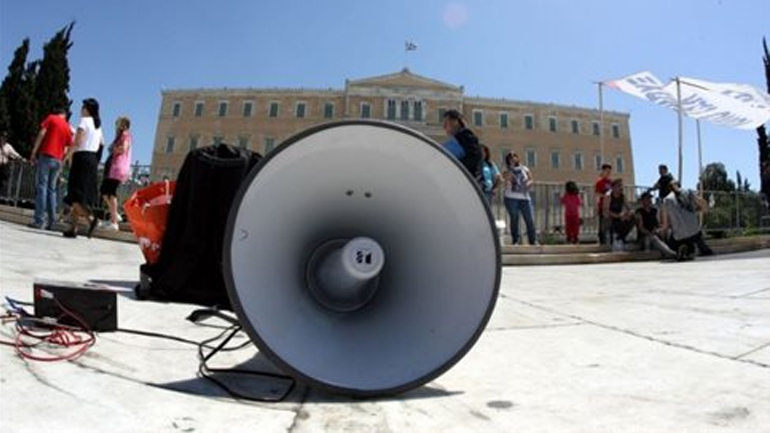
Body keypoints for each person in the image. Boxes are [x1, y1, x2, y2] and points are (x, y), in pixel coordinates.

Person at [62, 98, 104, 238]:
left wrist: (67, 157)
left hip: (81, 158)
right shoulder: (98, 126)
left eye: (83, 107)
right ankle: (73, 229)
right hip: (92, 159)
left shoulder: (84, 121)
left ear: (87, 109)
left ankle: (90, 219)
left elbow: (77, 141)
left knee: (74, 194)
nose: (81, 109)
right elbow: (101, 145)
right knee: (81, 195)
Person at [27, 106, 73, 230]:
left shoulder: (51, 118)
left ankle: (39, 220)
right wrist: (64, 162)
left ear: (57, 112)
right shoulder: (68, 127)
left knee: (42, 187)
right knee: (52, 190)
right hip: (58, 160)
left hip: (46, 155)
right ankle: (52, 222)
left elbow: (42, 133)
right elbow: (68, 147)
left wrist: (33, 151)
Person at [658, 181, 713, 260]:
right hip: (695, 232)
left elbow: (665, 225)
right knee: (695, 235)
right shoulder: (689, 192)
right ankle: (700, 249)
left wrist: (659, 230)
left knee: (671, 239)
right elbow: (703, 202)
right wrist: (704, 210)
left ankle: (680, 250)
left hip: (679, 236)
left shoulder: (666, 200)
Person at [98, 116, 132, 231]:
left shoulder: (125, 135)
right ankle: (115, 214)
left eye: (118, 123)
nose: (116, 125)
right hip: (113, 167)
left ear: (124, 125)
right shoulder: (119, 136)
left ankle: (114, 222)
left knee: (111, 193)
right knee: (104, 191)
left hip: (117, 168)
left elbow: (123, 148)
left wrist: (113, 149)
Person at [503, 152, 537, 245]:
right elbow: (506, 178)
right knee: (514, 218)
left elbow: (531, 179)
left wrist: (528, 184)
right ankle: (515, 240)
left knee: (529, 218)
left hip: (525, 198)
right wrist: (511, 168)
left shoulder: (525, 168)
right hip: (511, 197)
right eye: (510, 157)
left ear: (518, 158)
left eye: (514, 156)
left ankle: (533, 240)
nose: (513, 158)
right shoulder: (507, 170)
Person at [441, 109, 483, 186]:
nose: (444, 126)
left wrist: (453, 166)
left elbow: (473, 160)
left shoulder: (466, 137)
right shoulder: (460, 138)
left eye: (446, 123)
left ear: (455, 121)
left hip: (466, 184)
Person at [604, 179, 635, 250]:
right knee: (609, 219)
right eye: (619, 185)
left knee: (634, 217)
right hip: (610, 216)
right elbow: (606, 210)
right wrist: (618, 216)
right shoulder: (608, 196)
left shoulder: (622, 196)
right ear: (613, 187)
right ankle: (617, 238)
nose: (621, 187)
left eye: (621, 185)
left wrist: (628, 214)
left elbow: (629, 208)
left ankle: (620, 237)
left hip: (620, 215)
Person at [594, 163, 613, 244]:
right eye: (607, 171)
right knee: (602, 225)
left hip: (610, 206)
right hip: (602, 206)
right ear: (603, 171)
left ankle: (612, 241)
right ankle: (602, 242)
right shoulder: (599, 182)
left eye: (609, 171)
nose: (608, 173)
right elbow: (597, 194)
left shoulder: (611, 182)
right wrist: (604, 195)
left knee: (611, 225)